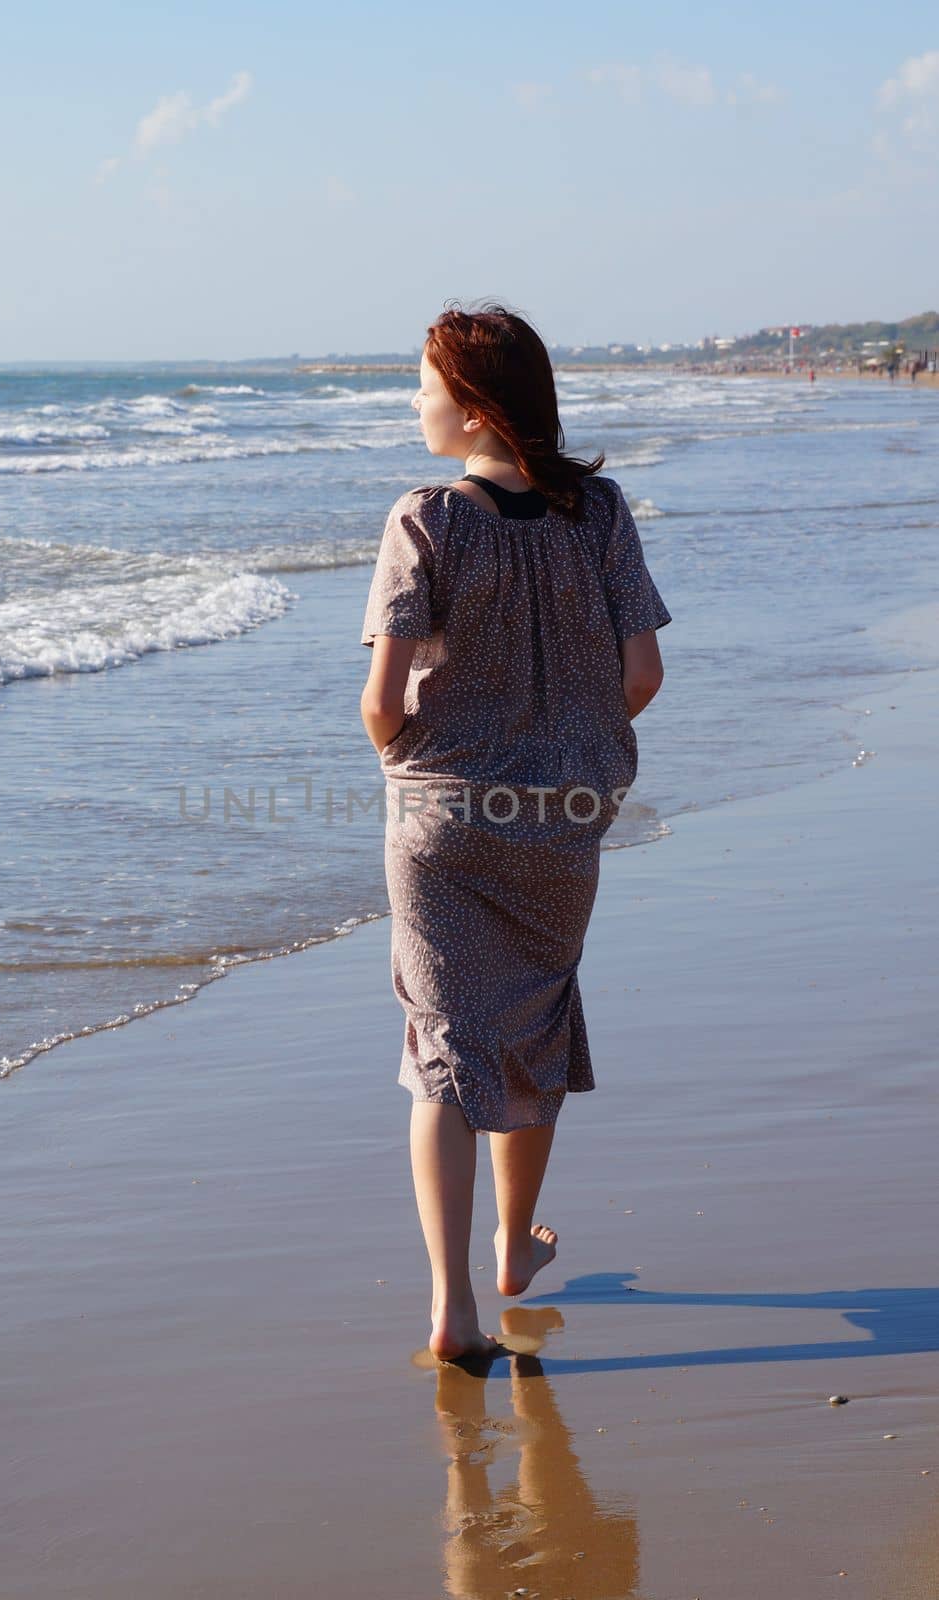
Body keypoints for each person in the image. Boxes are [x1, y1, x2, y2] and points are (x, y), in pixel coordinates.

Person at [359, 302, 672, 1363]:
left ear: (471, 401)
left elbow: (381, 698)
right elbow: (640, 675)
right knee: (532, 1020)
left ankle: (452, 1309)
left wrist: (412, 757)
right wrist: (564, 746)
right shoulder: (600, 513)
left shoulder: (425, 517)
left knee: (442, 1050)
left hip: (441, 814)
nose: (414, 400)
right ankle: (513, 1249)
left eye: (422, 383)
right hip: (562, 814)